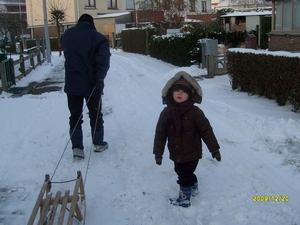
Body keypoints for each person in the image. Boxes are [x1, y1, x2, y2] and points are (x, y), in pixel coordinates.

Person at [153, 71, 221, 208]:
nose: (179, 94)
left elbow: (206, 131)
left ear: (189, 94)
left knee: (183, 175)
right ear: (171, 93)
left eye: (183, 92)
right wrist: (158, 153)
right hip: (176, 152)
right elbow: (160, 134)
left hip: (192, 152)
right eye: (177, 90)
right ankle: (193, 186)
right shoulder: (166, 113)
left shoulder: (196, 113)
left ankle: (184, 199)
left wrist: (214, 149)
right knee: (182, 171)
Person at [60, 14, 111, 159]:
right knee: (95, 115)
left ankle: (77, 148)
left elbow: (63, 44)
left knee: (75, 116)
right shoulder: (98, 38)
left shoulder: (68, 35)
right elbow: (103, 60)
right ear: (91, 23)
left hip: (72, 84)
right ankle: (98, 143)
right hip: (93, 84)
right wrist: (100, 78)